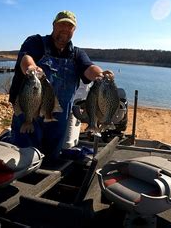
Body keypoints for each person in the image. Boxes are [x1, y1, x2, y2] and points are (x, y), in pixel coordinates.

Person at [7, 10, 114, 160]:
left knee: (51, 159)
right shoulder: (35, 42)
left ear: (74, 30)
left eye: (69, 26)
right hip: (30, 113)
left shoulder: (77, 54)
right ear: (53, 25)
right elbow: (26, 58)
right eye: (61, 24)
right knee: (22, 157)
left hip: (58, 121)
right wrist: (31, 68)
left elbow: (89, 68)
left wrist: (100, 75)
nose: (65, 28)